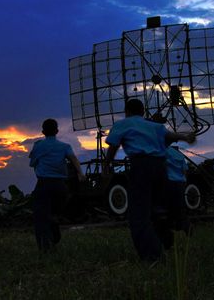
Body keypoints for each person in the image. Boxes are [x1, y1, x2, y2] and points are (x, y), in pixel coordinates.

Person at [104, 99, 196, 263]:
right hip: (160, 168)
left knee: (139, 214)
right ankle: (165, 242)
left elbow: (113, 147)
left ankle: (153, 257)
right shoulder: (155, 126)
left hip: (141, 166)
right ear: (143, 111)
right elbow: (170, 135)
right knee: (158, 209)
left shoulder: (123, 124)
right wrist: (186, 137)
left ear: (127, 111)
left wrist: (106, 165)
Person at [29, 118, 85, 251]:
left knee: (40, 217)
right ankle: (53, 232)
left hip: (43, 184)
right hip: (60, 187)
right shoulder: (65, 147)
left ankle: (45, 247)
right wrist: (81, 174)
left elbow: (32, 163)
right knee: (53, 213)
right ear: (57, 131)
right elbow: (74, 160)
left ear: (43, 132)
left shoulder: (38, 146)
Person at [157, 141, 192, 249]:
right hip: (180, 183)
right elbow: (185, 170)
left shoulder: (161, 152)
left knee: (166, 213)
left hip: (168, 184)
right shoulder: (178, 154)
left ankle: (168, 241)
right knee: (180, 210)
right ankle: (187, 232)